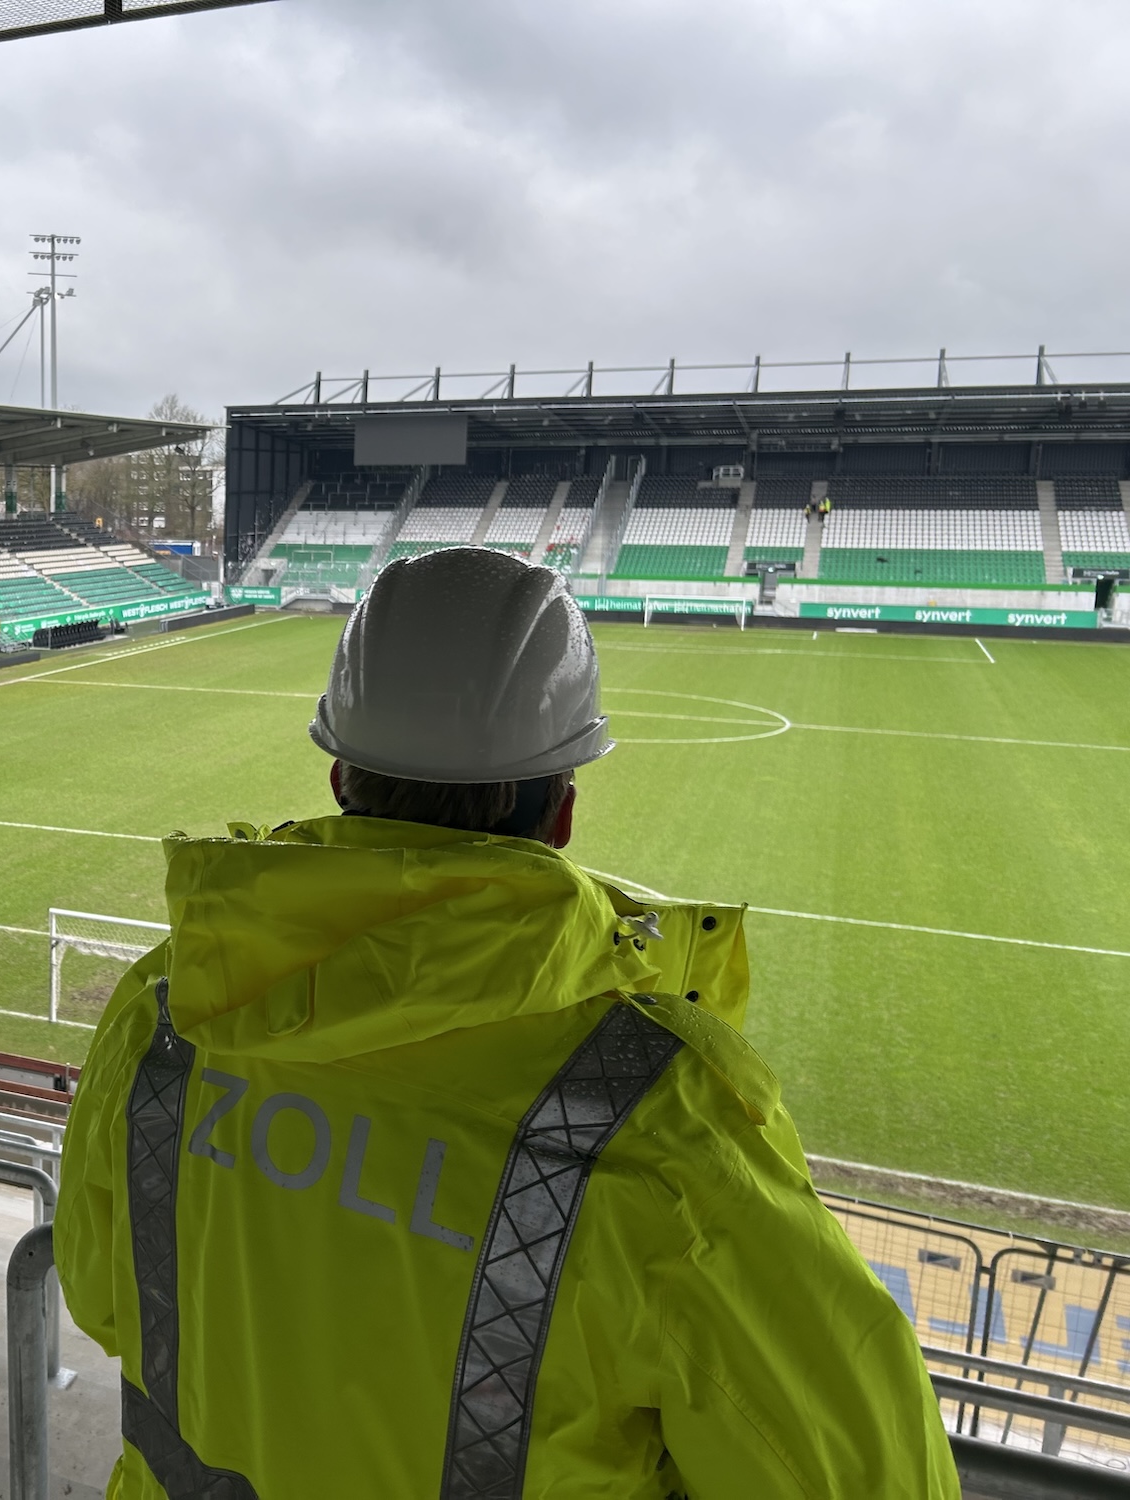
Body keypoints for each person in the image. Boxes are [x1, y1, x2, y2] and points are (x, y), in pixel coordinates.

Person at [58, 546, 957, 1499]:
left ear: (340, 779)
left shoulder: (167, 1009)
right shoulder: (661, 1124)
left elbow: (101, 1297)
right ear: (561, 810)